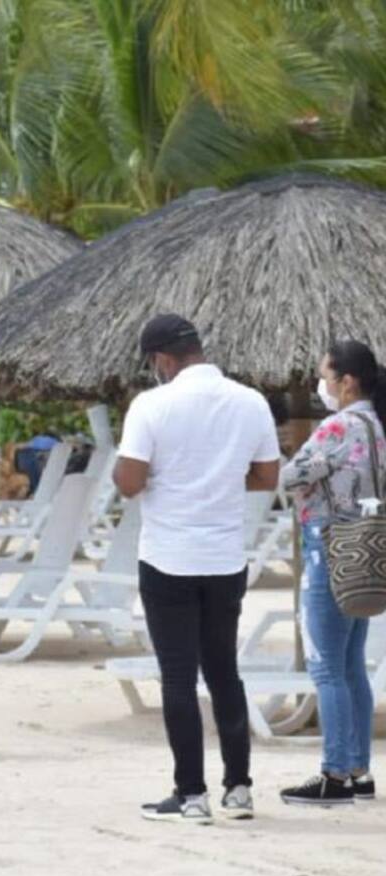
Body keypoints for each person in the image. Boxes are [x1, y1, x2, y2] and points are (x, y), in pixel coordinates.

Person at [114, 313, 280, 825]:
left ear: (162, 359)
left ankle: (190, 794)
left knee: (179, 678)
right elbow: (266, 476)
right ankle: (239, 788)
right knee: (224, 672)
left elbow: (129, 482)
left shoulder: (151, 405)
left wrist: (168, 477)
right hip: (225, 557)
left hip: (168, 557)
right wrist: (219, 481)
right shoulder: (251, 401)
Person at [279, 340, 384, 807]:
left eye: (325, 375)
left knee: (327, 667)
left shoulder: (338, 426)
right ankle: (359, 770)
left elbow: (290, 476)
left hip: (329, 551)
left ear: (347, 381)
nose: (320, 384)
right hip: (365, 555)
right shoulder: (377, 426)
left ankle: (335, 773)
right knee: (350, 665)